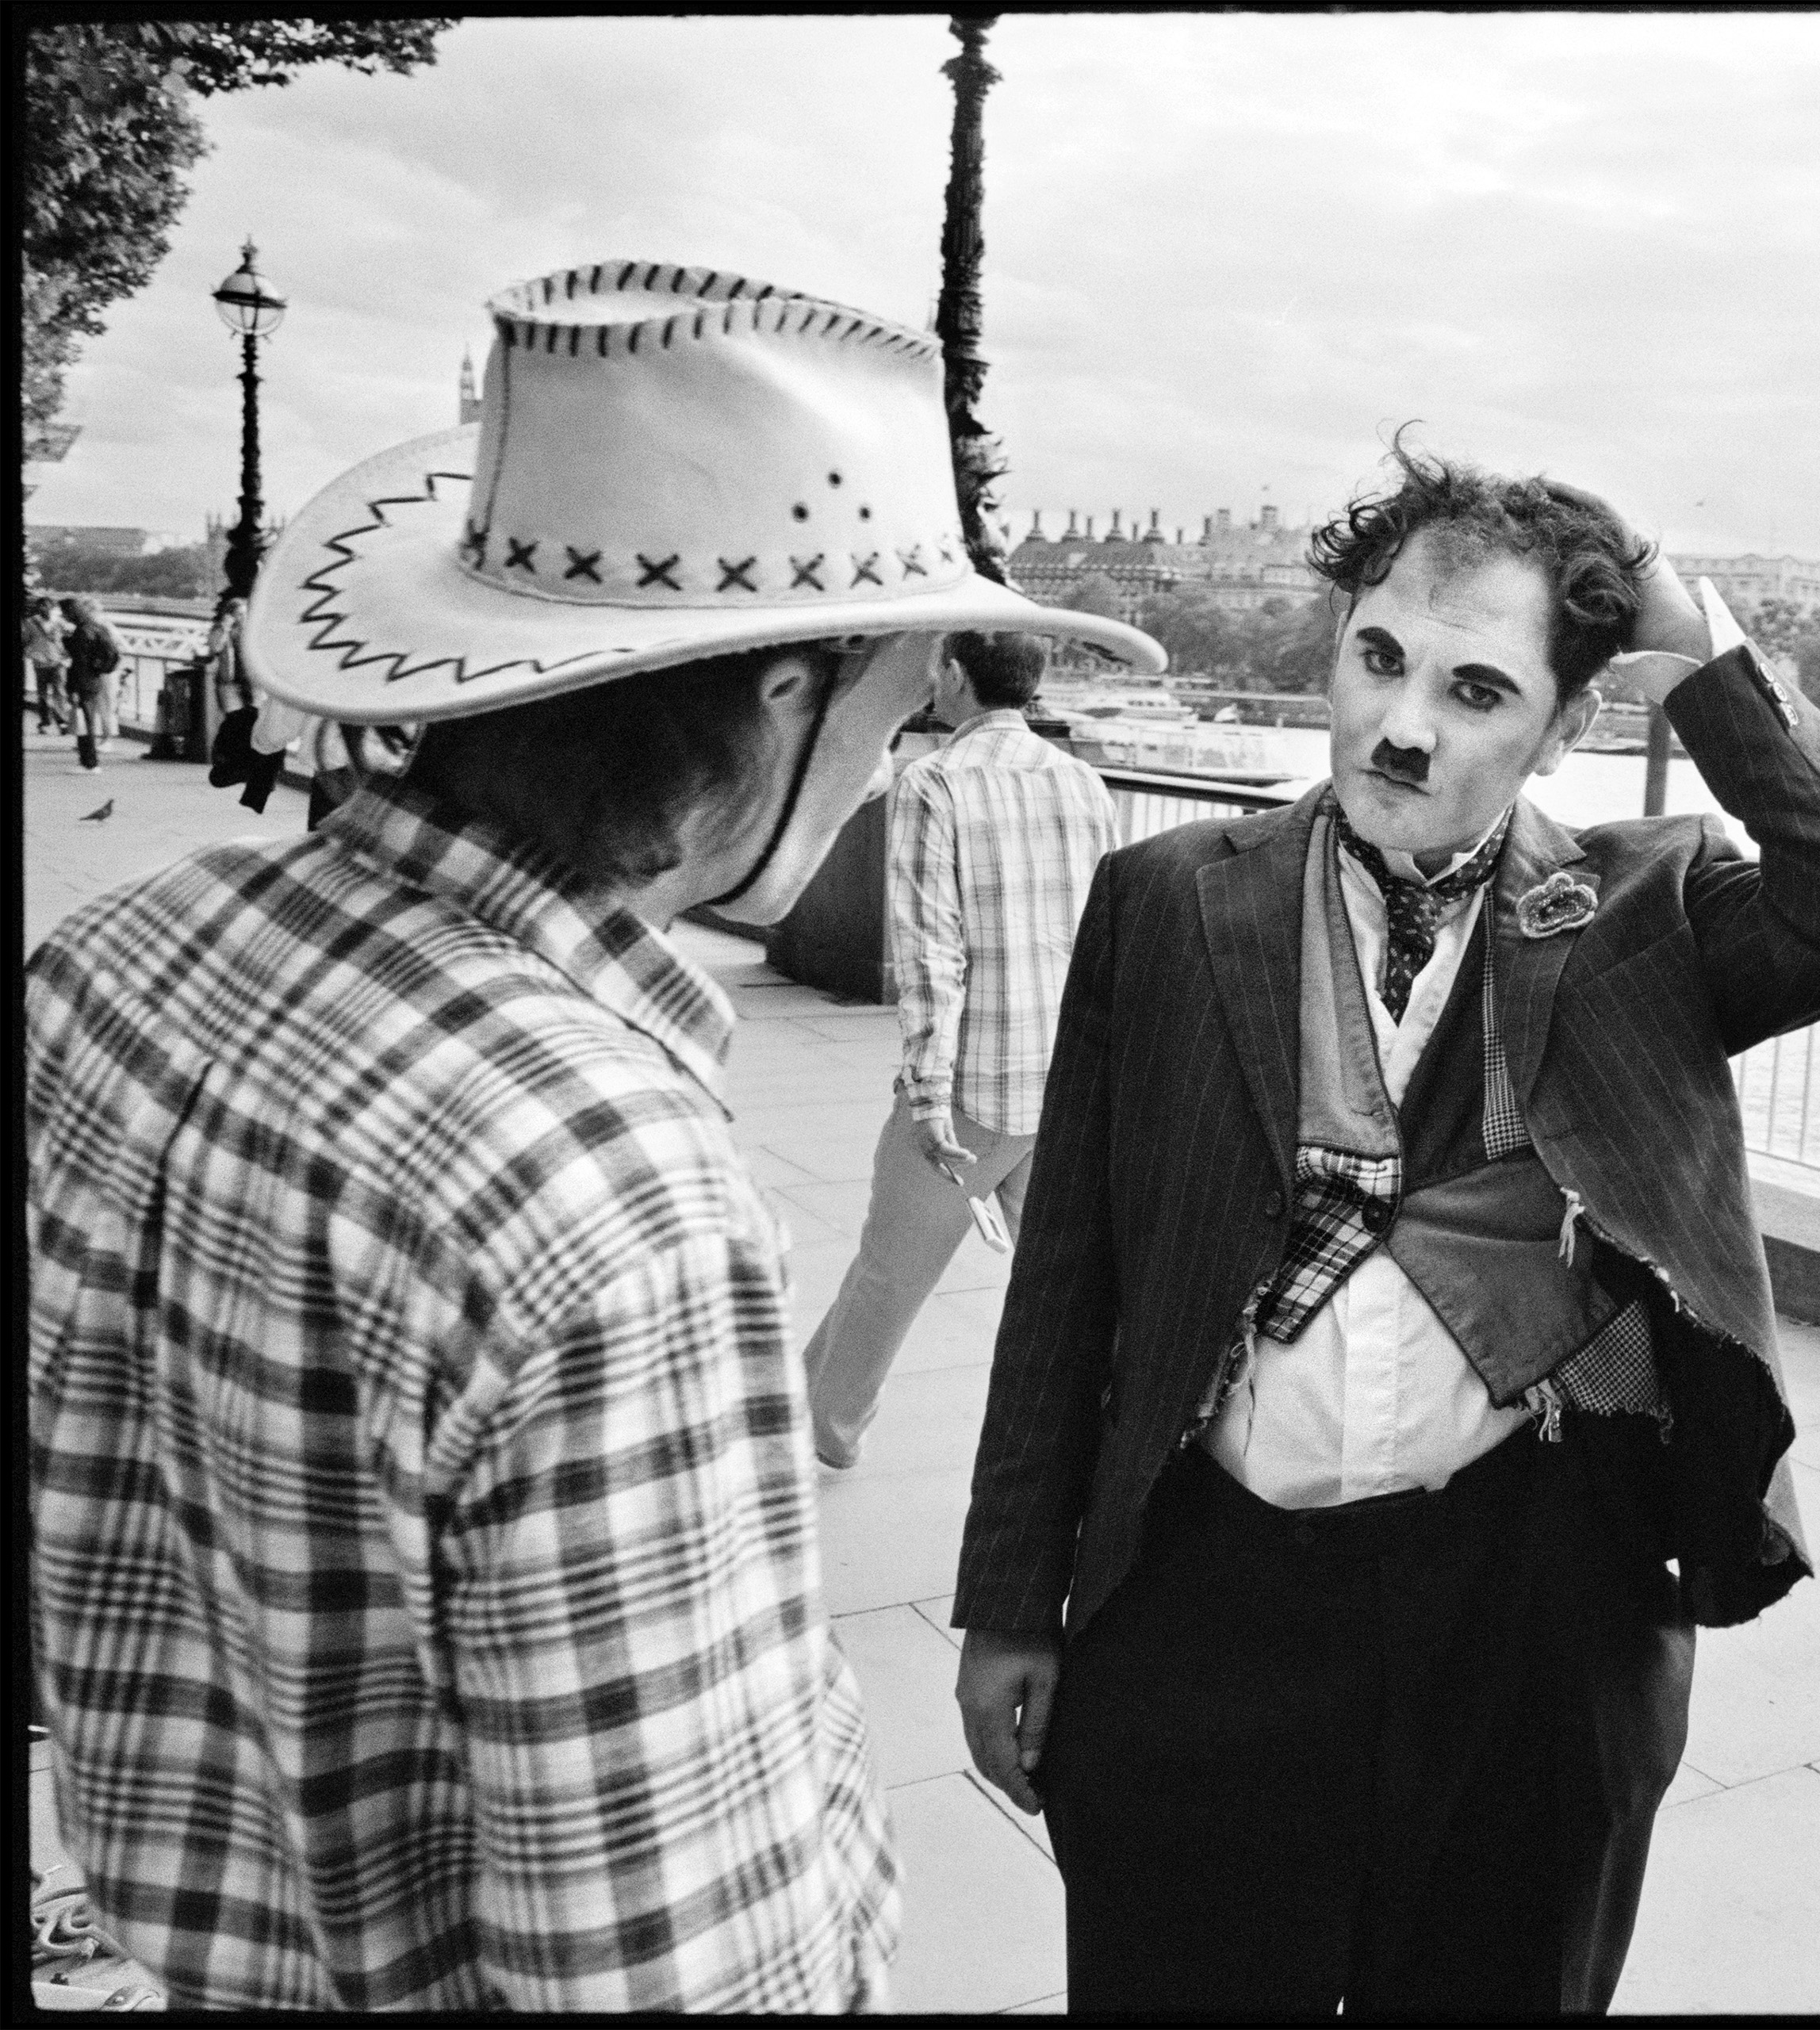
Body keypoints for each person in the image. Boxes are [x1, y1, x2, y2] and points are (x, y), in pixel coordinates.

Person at [25, 258, 1163, 2011]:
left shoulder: (109, 961)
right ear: (786, 695)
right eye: (890, 686)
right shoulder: (599, 1188)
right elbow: (685, 1957)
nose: (888, 742)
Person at [950, 442, 1820, 2017]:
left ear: (1566, 726)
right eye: (1378, 656)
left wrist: (1702, 644)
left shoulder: (1645, 912)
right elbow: (1070, 1273)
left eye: (1480, 691)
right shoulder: (1161, 899)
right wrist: (1014, 1596)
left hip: (1535, 1616)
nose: (1401, 726)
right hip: (1208, 1605)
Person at [799, 626, 1117, 1470]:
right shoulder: (1084, 783)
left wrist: (928, 1100)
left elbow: (931, 956)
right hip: (1063, 1080)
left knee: (889, 1274)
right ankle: (1104, 1442)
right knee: (1064, 1290)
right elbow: (1103, 940)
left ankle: (822, 1430)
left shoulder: (934, 783)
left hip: (973, 1089)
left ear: (954, 674)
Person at [59, 594, 121, 772]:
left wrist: (73, 688)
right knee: (87, 721)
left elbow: (79, 662)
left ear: (71, 613)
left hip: (83, 682)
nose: (64, 617)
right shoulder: (97, 627)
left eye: (64, 613)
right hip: (95, 679)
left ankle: (89, 763)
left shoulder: (82, 632)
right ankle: (89, 762)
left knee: (84, 723)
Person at [23, 594, 71, 733]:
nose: (45, 610)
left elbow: (69, 638)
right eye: (42, 607)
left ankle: (59, 721)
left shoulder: (60, 623)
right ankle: (47, 721)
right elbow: (26, 640)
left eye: (48, 608)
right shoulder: (31, 622)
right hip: (42, 662)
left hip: (57, 662)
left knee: (58, 692)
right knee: (44, 694)